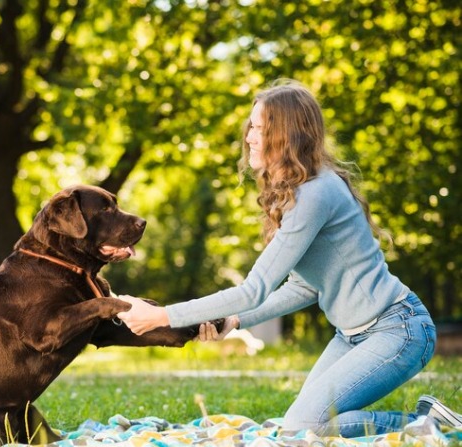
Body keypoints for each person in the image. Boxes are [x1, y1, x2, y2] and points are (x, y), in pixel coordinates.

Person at [116, 79, 462, 437]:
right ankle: (425, 419)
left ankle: (428, 424)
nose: (249, 136)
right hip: (352, 335)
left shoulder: (316, 194)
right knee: (299, 428)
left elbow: (254, 290)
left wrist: (162, 316)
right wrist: (234, 320)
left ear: (289, 136)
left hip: (398, 330)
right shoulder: (299, 193)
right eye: (251, 126)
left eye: (261, 128)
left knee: (304, 427)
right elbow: (303, 288)